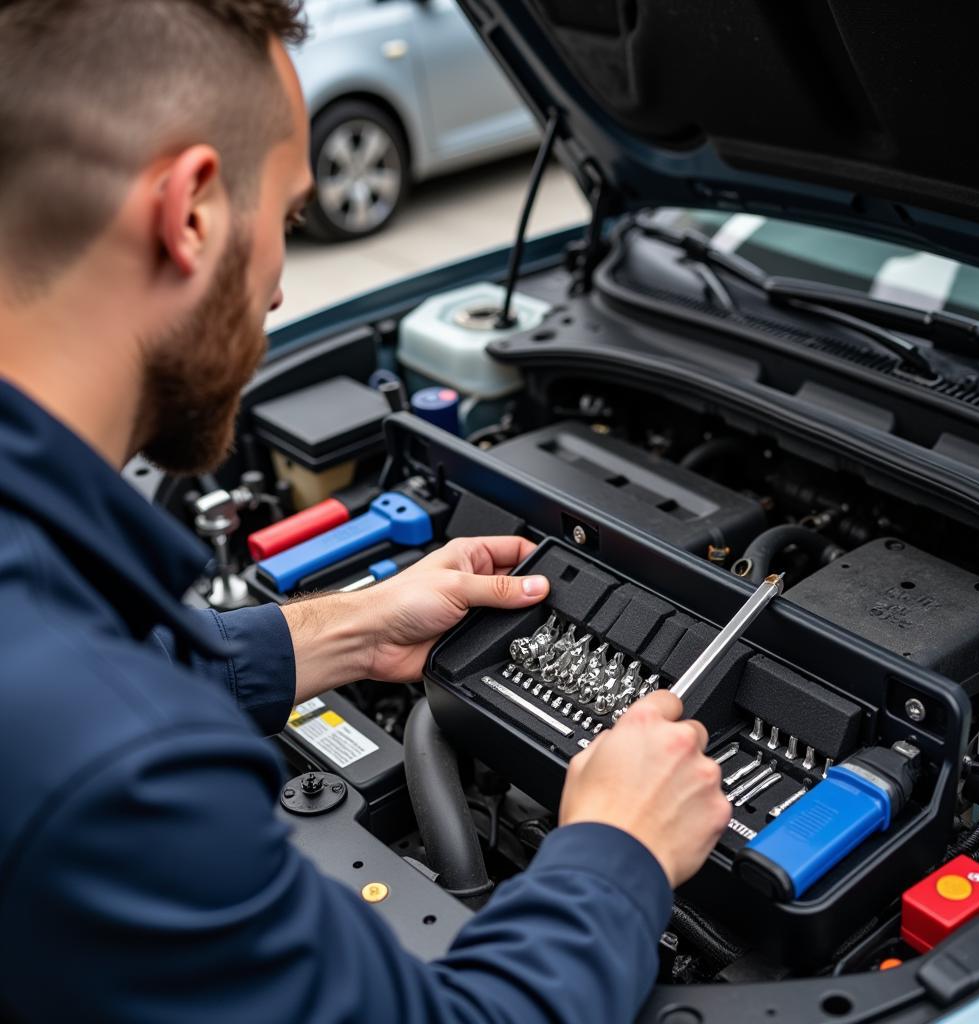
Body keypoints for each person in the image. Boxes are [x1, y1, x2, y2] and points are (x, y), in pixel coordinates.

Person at [0, 2, 732, 1021]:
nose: (279, 294)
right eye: (288, 218)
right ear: (194, 211)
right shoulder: (111, 770)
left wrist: (347, 629)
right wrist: (617, 850)